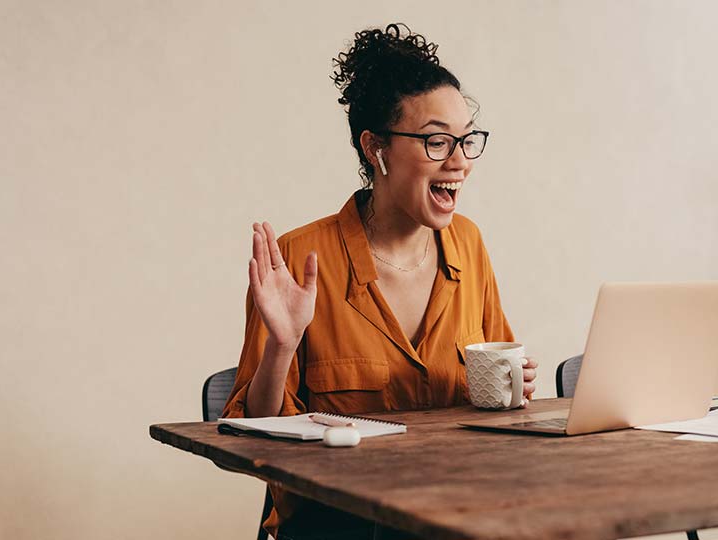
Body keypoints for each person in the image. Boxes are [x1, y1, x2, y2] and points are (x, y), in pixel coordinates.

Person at [221, 23, 537, 540]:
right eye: (437, 141)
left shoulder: (469, 244)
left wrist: (511, 388)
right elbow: (253, 436)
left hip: (455, 508)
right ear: (376, 149)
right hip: (339, 523)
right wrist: (282, 345)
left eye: (466, 139)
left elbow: (500, 409)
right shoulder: (300, 258)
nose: (459, 161)